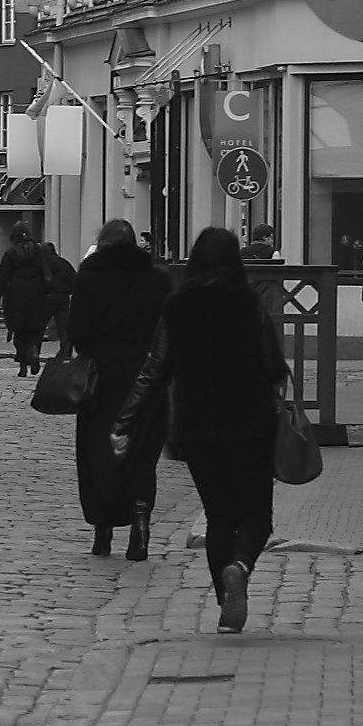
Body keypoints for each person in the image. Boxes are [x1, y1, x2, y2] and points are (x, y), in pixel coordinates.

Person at [113, 227, 289, 633]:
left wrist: (124, 421)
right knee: (256, 516)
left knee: (218, 517)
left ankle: (226, 604)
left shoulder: (177, 306)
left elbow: (155, 368)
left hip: (197, 428)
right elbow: (273, 366)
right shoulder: (248, 302)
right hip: (250, 424)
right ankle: (240, 568)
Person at [67, 219, 173, 558]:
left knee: (98, 454)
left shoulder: (89, 277)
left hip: (102, 381)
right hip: (147, 379)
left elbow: (78, 330)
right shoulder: (158, 278)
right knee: (142, 454)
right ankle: (140, 527)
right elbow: (168, 331)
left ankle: (103, 530)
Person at [0, 225, 54, 376]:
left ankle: (23, 363)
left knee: (19, 331)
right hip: (37, 295)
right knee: (36, 330)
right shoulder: (39, 251)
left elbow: (1, 278)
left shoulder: (11, 253)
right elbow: (48, 273)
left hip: (16, 296)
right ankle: (34, 350)